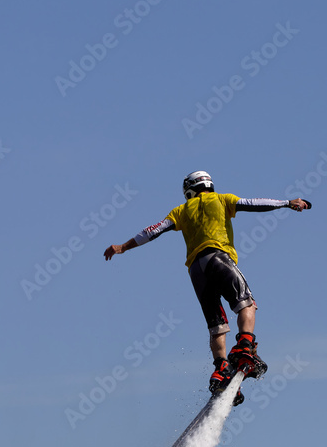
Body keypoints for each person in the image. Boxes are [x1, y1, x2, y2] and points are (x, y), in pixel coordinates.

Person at [103, 171, 310, 404]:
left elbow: (152, 231)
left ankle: (221, 369)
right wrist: (286, 203)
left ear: (189, 189)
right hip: (218, 258)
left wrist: (122, 247)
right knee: (247, 304)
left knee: (217, 326)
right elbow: (252, 204)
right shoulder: (221, 199)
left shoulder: (180, 211)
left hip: (196, 271)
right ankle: (244, 347)